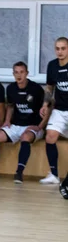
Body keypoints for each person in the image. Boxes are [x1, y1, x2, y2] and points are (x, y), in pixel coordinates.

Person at [0, 62, 46, 183]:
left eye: (21, 72)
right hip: (16, 125)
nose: (19, 75)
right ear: (13, 74)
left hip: (33, 126)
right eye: (16, 72)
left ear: (27, 73)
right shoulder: (10, 88)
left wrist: (40, 126)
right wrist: (6, 121)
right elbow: (10, 106)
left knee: (25, 137)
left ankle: (19, 173)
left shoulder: (36, 89)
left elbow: (48, 108)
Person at [41, 37, 68, 187]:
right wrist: (45, 104)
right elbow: (50, 87)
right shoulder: (52, 66)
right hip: (59, 109)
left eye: (63, 48)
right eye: (57, 48)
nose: (60, 52)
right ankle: (54, 175)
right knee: (50, 137)